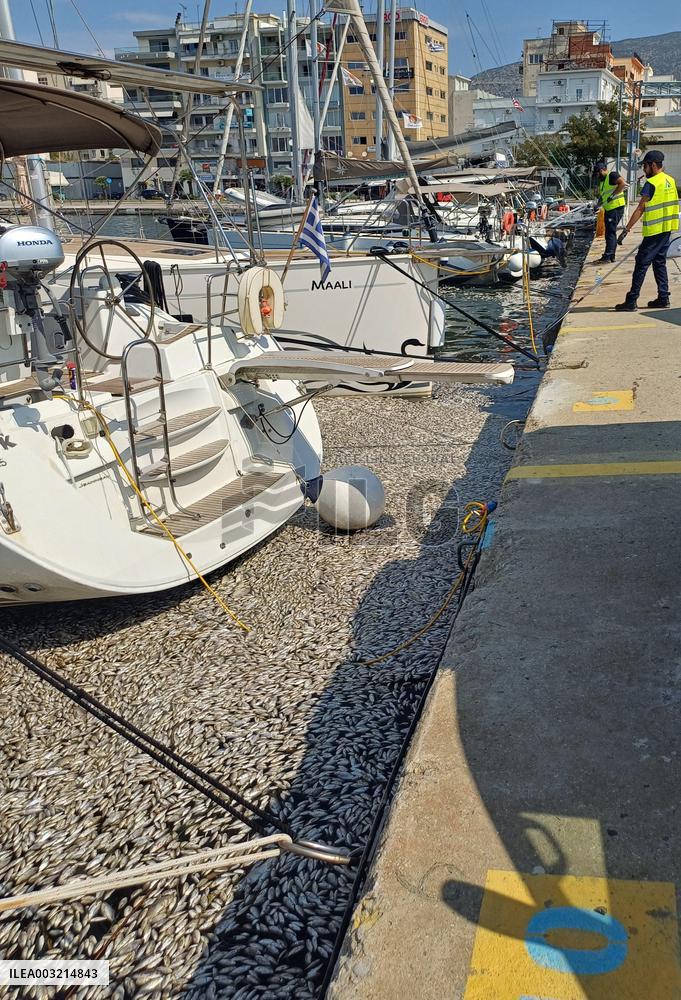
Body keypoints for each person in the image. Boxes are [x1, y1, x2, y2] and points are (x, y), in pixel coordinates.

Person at [615, 150, 679, 311]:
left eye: (645, 166)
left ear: (653, 165)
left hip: (654, 231)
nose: (644, 169)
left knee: (641, 263)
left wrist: (626, 229)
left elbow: (640, 208)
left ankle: (631, 300)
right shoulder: (670, 180)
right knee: (659, 262)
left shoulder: (652, 183)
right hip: (667, 230)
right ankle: (663, 298)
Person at [594, 161, 626, 263]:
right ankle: (611, 256)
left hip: (616, 208)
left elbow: (622, 183)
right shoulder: (603, 181)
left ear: (601, 170)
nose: (597, 177)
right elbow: (603, 195)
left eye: (598, 174)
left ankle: (607, 256)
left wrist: (612, 196)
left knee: (610, 233)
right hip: (609, 209)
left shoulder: (612, 175)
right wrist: (597, 205)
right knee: (609, 232)